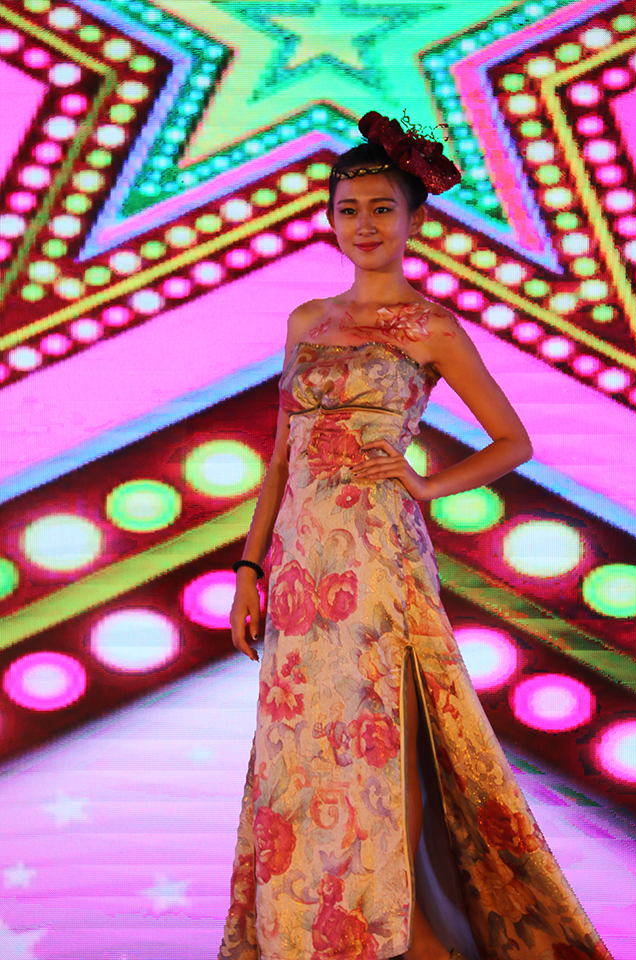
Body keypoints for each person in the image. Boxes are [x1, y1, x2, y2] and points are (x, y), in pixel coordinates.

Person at [219, 112, 613, 960]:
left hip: (376, 559)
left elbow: (513, 441)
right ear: (330, 221)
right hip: (298, 566)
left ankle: (414, 939)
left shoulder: (431, 326)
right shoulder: (305, 320)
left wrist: (428, 485)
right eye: (347, 209)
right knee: (300, 752)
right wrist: (250, 568)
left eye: (381, 209)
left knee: (378, 742)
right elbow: (280, 456)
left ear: (414, 219)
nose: (363, 225)